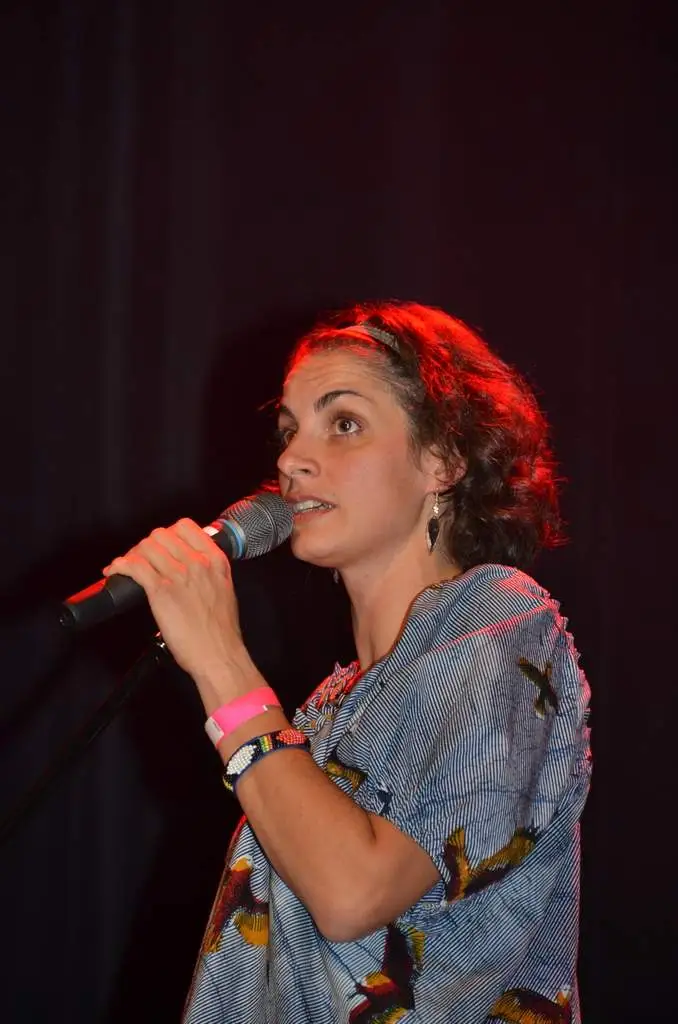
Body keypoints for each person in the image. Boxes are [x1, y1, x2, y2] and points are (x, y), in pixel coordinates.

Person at [104, 301, 591, 1023]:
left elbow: (354, 894)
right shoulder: (326, 711)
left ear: (443, 459)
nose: (290, 460)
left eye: (344, 423)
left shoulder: (503, 621)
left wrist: (220, 661)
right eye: (289, 430)